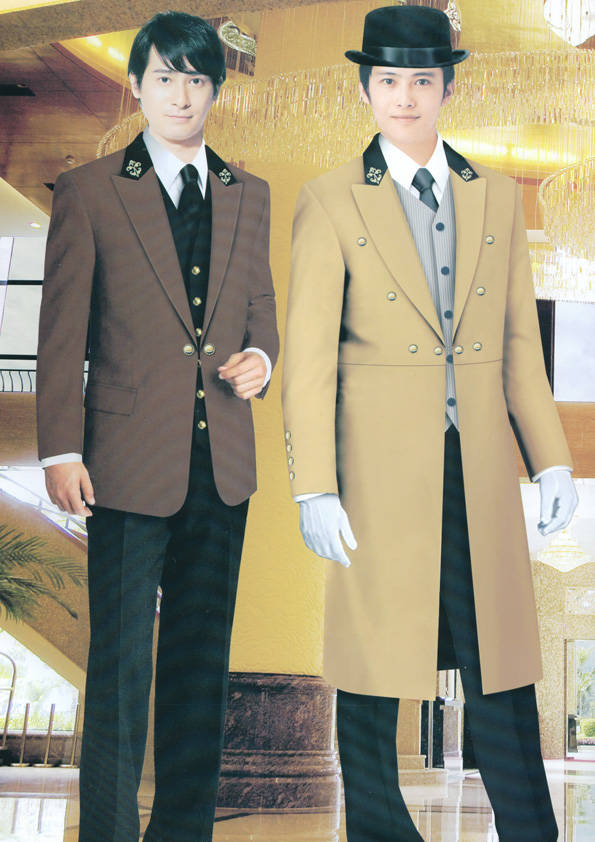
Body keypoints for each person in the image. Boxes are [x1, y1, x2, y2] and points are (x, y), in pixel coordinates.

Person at [282, 6, 576, 841]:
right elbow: (308, 361)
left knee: (499, 658)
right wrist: (313, 486)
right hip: (375, 470)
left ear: (447, 87)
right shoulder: (328, 199)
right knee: (372, 663)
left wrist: (550, 459)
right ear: (365, 89)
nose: (403, 97)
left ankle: (532, 831)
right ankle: (379, 831)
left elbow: (519, 344)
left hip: (476, 464)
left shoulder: (495, 196)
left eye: (420, 79)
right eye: (387, 80)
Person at [36, 12, 278, 842]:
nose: (181, 94)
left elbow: (259, 306)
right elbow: (62, 332)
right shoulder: (90, 189)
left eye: (196, 79)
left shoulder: (249, 193)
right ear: (136, 85)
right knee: (120, 668)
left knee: (199, 670)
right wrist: (60, 449)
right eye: (166, 77)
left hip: (223, 465)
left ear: (215, 91)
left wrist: (261, 358)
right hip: (122, 461)